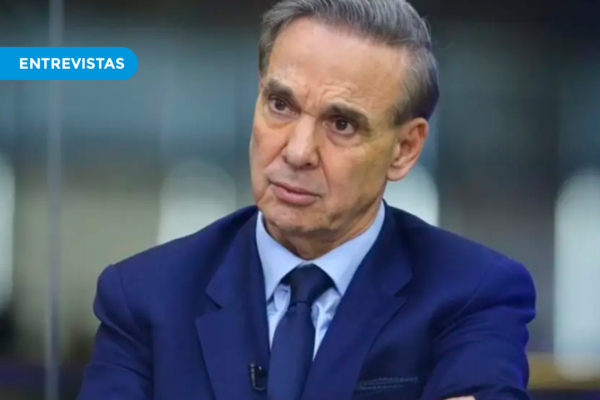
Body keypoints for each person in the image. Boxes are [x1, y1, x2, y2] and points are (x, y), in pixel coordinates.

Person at [77, 0, 536, 399]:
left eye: (342, 124)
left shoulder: (473, 293)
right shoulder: (144, 296)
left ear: (405, 149)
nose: (297, 152)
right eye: (281, 105)